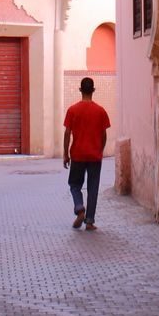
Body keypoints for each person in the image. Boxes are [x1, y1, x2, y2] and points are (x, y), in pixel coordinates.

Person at [63, 76, 110, 231]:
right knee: (93, 187)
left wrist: (65, 154)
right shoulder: (101, 111)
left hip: (77, 154)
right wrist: (100, 150)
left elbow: (67, 132)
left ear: (80, 90)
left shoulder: (72, 110)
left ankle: (79, 208)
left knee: (75, 184)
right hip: (95, 156)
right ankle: (89, 221)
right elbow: (104, 134)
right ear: (93, 90)